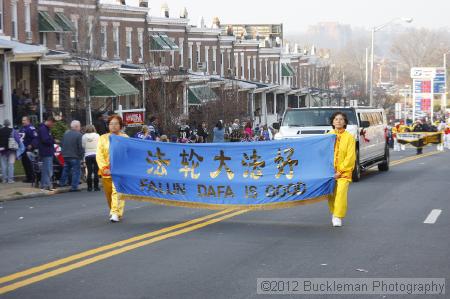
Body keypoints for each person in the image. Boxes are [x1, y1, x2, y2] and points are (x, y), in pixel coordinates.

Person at [96, 115, 128, 223]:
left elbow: (128, 154)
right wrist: (104, 167)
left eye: (116, 124)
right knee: (109, 194)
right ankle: (115, 210)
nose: (113, 126)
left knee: (117, 191)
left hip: (120, 170)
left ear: (120, 126)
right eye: (111, 124)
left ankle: (115, 212)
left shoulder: (125, 138)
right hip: (106, 171)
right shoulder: (102, 138)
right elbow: (99, 154)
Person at [327, 112, 356, 227]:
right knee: (331, 194)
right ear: (332, 122)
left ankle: (338, 216)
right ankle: (334, 212)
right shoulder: (328, 135)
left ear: (345, 122)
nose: (338, 121)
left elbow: (350, 156)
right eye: (336, 119)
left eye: (341, 119)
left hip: (344, 171)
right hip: (330, 171)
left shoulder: (349, 137)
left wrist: (341, 170)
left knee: (341, 192)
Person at [59, 120, 84, 192]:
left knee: (66, 170)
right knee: (76, 171)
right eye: (79, 126)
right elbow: (80, 147)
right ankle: (74, 187)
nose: (80, 128)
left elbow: (61, 144)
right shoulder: (79, 135)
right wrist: (81, 157)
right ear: (76, 127)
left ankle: (62, 183)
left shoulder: (65, 134)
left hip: (65, 155)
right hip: (75, 156)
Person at [37, 116, 56, 191]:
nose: (53, 126)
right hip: (46, 151)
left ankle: (45, 184)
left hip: (46, 151)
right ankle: (46, 184)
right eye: (52, 124)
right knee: (47, 169)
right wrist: (53, 141)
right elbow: (45, 140)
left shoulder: (45, 128)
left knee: (46, 168)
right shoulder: (44, 129)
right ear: (50, 121)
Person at [19, 116, 38, 183]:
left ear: (28, 121)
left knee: (29, 164)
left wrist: (32, 145)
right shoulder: (22, 128)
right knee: (24, 164)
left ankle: (32, 178)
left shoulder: (31, 128)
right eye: (22, 120)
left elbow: (35, 138)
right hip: (22, 150)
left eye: (24, 120)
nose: (23, 122)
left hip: (28, 149)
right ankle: (28, 177)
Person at [82, 125, 100, 192]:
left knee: (89, 172)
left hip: (87, 155)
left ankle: (89, 187)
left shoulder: (84, 136)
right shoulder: (97, 135)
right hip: (96, 154)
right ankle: (96, 187)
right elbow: (99, 144)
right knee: (96, 172)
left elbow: (83, 145)